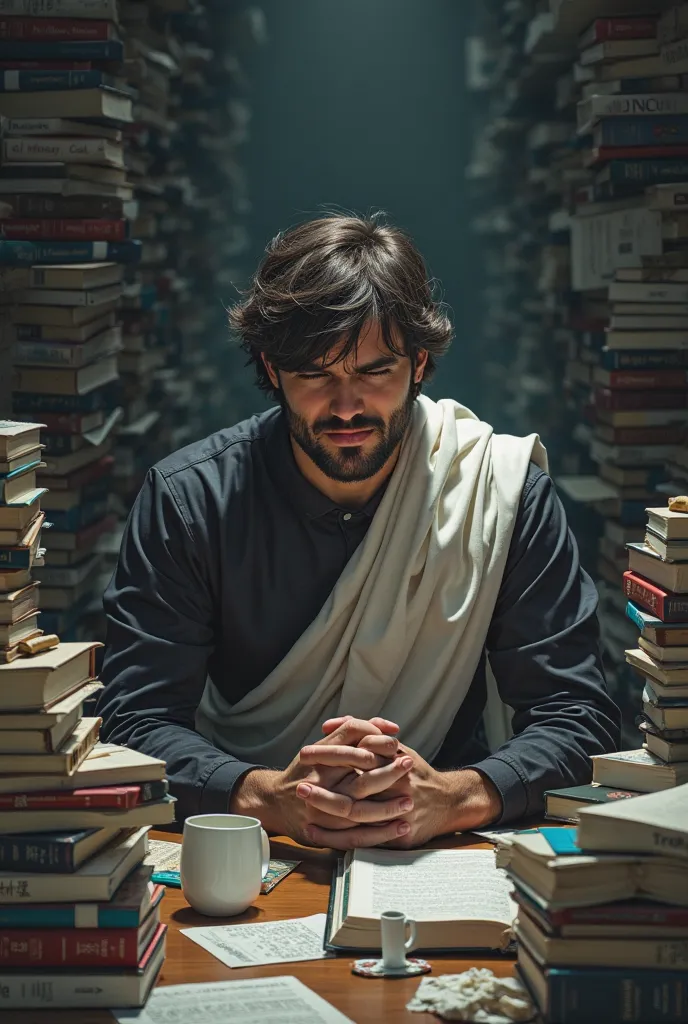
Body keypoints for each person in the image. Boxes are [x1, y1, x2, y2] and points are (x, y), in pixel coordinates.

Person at [97, 213, 620, 850]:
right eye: (316, 374)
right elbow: (132, 720)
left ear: (420, 362)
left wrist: (451, 798)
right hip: (247, 838)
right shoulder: (189, 501)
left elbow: (579, 716)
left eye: (374, 371)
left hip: (437, 842)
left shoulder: (500, 491)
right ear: (271, 368)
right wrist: (265, 796)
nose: (346, 406)